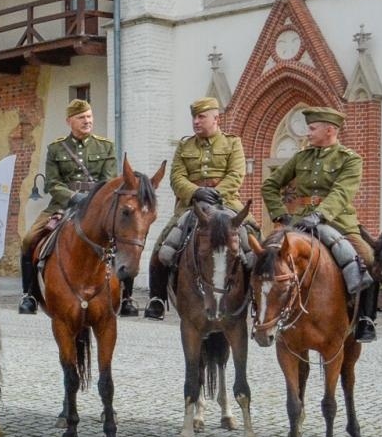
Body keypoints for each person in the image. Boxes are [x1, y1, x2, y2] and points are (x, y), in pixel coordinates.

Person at [260, 106, 377, 342]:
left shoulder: (350, 159)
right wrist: (281, 215)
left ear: (330, 130)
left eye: (313, 129)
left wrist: (321, 214)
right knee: (266, 257)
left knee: (368, 259)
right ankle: (262, 311)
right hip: (301, 220)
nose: (308, 133)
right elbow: (269, 185)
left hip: (338, 221)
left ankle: (365, 320)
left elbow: (342, 192)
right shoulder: (301, 157)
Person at [19, 98, 133, 315]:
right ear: (69, 121)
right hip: (63, 204)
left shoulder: (105, 146)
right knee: (29, 240)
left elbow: (109, 180)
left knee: (124, 239)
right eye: (81, 118)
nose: (87, 121)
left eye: (89, 117)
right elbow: (53, 183)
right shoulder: (56, 148)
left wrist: (92, 200)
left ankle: (127, 297)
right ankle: (30, 294)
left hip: (98, 206)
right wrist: (73, 198)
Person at [145, 97, 247, 320]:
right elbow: (176, 177)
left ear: (216, 118)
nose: (196, 121)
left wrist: (216, 193)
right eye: (194, 117)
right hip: (191, 207)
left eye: (201, 117)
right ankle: (157, 298)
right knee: (163, 245)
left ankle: (255, 299)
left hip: (226, 204)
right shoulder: (184, 146)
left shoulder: (232, 143)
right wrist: (194, 192)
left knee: (252, 242)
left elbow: (236, 175)